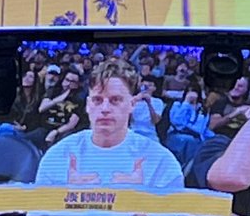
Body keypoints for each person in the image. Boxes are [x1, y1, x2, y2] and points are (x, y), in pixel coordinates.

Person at [35, 58, 184, 189]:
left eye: (115, 100)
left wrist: (140, 199)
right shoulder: (57, 157)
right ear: (88, 105)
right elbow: (40, 210)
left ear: (132, 104)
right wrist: (68, 197)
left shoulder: (161, 162)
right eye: (97, 100)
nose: (105, 109)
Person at [129, 75, 165, 144]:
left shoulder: (158, 102)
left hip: (150, 133)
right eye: (145, 85)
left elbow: (155, 121)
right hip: (134, 131)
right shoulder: (133, 99)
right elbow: (127, 118)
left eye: (150, 86)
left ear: (154, 88)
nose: (146, 88)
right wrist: (135, 100)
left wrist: (149, 103)